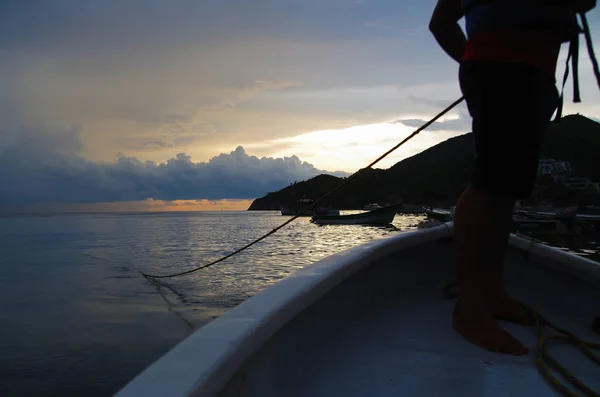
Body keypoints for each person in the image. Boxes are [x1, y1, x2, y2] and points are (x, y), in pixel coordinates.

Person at [428, 0, 576, 355]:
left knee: (506, 188)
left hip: (534, 74)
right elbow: (441, 22)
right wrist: (479, 62)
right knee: (491, 184)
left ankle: (492, 294)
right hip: (501, 71)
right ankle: (469, 308)